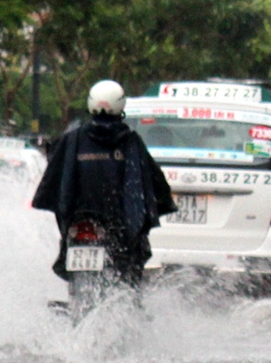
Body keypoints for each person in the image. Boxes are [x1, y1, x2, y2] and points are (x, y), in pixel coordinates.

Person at [31, 78, 176, 284]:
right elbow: (153, 179)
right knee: (133, 262)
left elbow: (54, 173)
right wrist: (162, 202)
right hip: (119, 226)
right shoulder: (131, 142)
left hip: (79, 221)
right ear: (120, 105)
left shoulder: (72, 140)